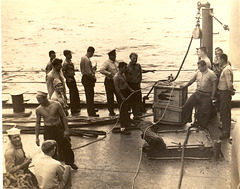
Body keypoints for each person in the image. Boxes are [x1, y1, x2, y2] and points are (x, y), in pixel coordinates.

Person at [35, 91, 78, 170]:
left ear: (45, 98)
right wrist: (37, 137)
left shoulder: (56, 105)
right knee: (49, 148)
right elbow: (37, 123)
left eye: (40, 100)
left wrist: (66, 130)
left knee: (66, 145)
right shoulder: (39, 109)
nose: (39, 102)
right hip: (48, 129)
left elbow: (63, 117)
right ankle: (54, 166)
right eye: (37, 100)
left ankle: (70, 162)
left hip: (58, 127)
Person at [181, 60, 217, 128]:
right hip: (198, 93)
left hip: (206, 95)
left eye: (200, 67)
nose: (199, 69)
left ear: (204, 66)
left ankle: (203, 125)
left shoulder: (211, 74)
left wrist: (212, 96)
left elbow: (215, 86)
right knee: (187, 104)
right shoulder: (198, 72)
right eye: (198, 67)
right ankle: (188, 119)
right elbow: (192, 80)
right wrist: (185, 86)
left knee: (205, 111)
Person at [113, 62, 134, 135]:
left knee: (127, 109)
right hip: (121, 94)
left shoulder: (123, 75)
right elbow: (117, 89)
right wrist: (121, 97)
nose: (126, 69)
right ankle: (122, 128)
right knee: (122, 111)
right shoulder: (116, 77)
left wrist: (130, 90)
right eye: (125, 67)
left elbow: (126, 83)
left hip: (126, 92)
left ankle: (127, 123)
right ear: (121, 68)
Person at [218, 53, 234, 140]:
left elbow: (229, 84)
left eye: (219, 59)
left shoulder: (226, 70)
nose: (218, 61)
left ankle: (226, 132)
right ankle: (225, 127)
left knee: (225, 112)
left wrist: (230, 91)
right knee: (224, 111)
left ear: (222, 60)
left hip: (225, 93)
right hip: (223, 93)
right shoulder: (226, 68)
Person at [100, 49, 120, 116]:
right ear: (110, 56)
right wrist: (108, 73)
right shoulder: (107, 63)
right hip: (109, 81)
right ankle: (111, 111)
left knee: (118, 95)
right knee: (110, 96)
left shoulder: (117, 62)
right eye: (113, 55)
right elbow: (101, 70)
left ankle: (121, 110)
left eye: (115, 55)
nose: (115, 56)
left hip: (116, 81)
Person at [80, 46, 99, 117]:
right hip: (87, 79)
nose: (92, 54)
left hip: (84, 77)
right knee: (90, 95)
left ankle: (91, 109)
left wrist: (92, 69)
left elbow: (84, 69)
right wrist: (93, 78)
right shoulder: (87, 60)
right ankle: (91, 112)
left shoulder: (83, 58)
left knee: (88, 95)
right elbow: (88, 73)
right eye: (92, 53)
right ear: (90, 52)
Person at [62, 50, 81, 114]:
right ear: (66, 55)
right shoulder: (65, 63)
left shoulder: (69, 62)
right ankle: (73, 109)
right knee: (72, 94)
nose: (71, 56)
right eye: (69, 54)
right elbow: (63, 71)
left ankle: (76, 107)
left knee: (75, 92)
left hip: (72, 77)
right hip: (69, 78)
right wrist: (67, 78)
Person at [126, 52, 142, 119]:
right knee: (130, 100)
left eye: (136, 58)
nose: (135, 60)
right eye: (133, 58)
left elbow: (140, 73)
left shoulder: (138, 66)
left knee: (137, 100)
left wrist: (139, 81)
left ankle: (137, 114)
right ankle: (128, 115)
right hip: (130, 85)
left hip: (137, 85)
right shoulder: (127, 67)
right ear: (130, 58)